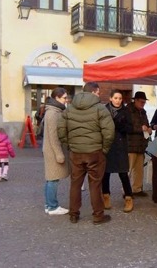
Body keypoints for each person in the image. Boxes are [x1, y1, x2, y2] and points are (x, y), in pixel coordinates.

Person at [58, 82, 115, 225]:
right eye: (98, 92)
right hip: (95, 152)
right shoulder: (100, 109)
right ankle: (98, 215)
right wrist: (104, 149)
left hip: (76, 152)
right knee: (95, 184)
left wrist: (69, 145)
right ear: (94, 92)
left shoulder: (69, 109)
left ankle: (73, 214)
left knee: (75, 183)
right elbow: (109, 132)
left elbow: (61, 130)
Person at [103, 89, 134, 213]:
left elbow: (130, 128)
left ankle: (128, 198)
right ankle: (105, 196)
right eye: (115, 98)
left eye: (120, 98)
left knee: (123, 173)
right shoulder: (104, 110)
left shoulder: (126, 111)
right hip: (107, 144)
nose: (118, 101)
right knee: (105, 173)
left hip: (120, 145)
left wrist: (120, 125)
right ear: (110, 98)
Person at [43, 87, 70, 215]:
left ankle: (49, 205)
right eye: (64, 98)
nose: (66, 100)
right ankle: (52, 206)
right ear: (57, 98)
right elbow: (53, 136)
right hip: (53, 151)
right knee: (53, 178)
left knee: (51, 178)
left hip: (50, 150)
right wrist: (59, 154)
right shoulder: (53, 113)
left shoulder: (53, 111)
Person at [126, 91, 152, 196]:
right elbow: (126, 127)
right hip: (130, 145)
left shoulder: (143, 112)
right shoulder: (127, 111)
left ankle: (137, 189)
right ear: (135, 100)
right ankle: (126, 191)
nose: (143, 104)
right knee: (128, 170)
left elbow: (146, 124)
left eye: (144, 102)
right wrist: (140, 129)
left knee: (139, 170)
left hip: (141, 145)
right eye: (141, 102)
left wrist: (149, 129)